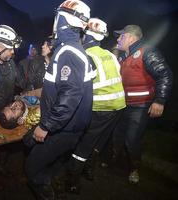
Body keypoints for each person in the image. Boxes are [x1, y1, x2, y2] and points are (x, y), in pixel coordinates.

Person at [25, 0, 94, 199]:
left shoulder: (68, 52)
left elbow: (70, 96)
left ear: (64, 18)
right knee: (38, 151)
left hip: (63, 128)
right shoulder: (71, 48)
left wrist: (46, 125)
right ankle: (50, 180)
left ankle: (47, 191)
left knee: (32, 168)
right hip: (65, 126)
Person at [66, 18, 126, 194]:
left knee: (85, 143)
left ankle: (72, 180)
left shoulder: (85, 56)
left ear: (84, 35)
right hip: (119, 106)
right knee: (100, 141)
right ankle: (89, 170)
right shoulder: (110, 55)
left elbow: (79, 88)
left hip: (101, 107)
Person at [113, 25, 173, 184]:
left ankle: (134, 169)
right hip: (122, 105)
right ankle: (114, 161)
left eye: (121, 36)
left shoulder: (148, 52)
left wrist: (160, 101)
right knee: (117, 135)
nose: (118, 39)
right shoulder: (122, 56)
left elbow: (165, 75)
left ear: (131, 38)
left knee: (132, 139)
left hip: (140, 106)